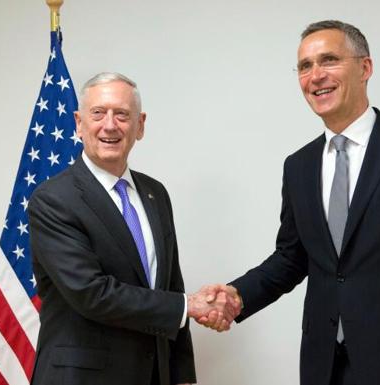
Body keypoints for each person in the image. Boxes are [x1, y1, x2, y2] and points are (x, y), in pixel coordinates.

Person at [200, 20, 380, 385]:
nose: (316, 75)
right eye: (305, 66)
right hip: (323, 365)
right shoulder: (299, 165)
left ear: (365, 68)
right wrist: (235, 296)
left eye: (329, 60)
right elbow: (291, 257)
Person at [28, 72, 238, 385]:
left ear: (139, 125)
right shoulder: (53, 200)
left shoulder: (155, 194)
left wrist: (183, 375)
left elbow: (170, 285)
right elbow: (92, 293)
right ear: (78, 123)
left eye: (122, 115)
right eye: (98, 113)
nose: (110, 125)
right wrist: (188, 305)